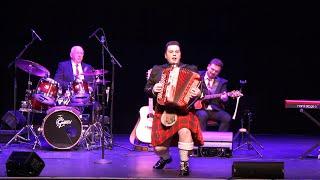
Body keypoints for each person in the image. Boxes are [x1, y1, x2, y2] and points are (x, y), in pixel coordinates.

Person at [145, 41, 203, 176]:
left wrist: (199, 93)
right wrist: (153, 89)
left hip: (184, 111)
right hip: (164, 111)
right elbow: (146, 89)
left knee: (185, 132)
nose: (174, 54)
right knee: (159, 148)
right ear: (165, 55)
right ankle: (166, 158)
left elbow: (202, 90)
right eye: (171, 52)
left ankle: (184, 165)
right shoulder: (157, 69)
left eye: (177, 51)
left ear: (180, 54)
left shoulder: (191, 69)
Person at [195, 58, 232, 132]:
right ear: (208, 66)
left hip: (214, 110)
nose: (213, 72)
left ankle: (220, 142)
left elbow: (225, 100)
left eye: (216, 71)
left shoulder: (222, 82)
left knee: (227, 117)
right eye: (212, 69)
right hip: (199, 108)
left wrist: (224, 99)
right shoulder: (197, 75)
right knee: (202, 115)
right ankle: (201, 141)